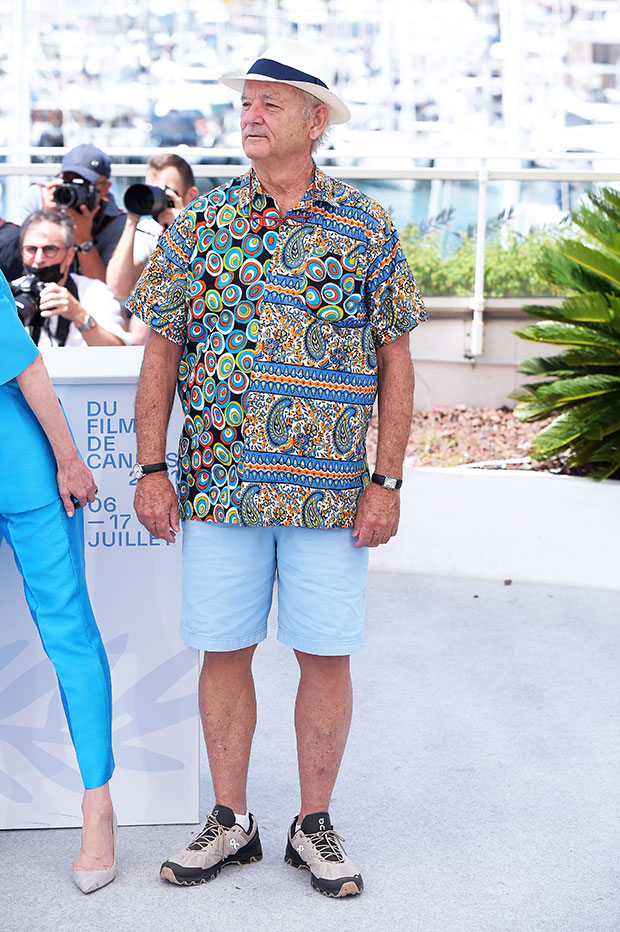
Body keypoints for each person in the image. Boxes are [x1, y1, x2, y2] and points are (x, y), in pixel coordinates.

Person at [127, 38, 427, 899]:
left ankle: (315, 824)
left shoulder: (366, 226)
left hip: (333, 494)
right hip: (220, 484)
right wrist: (152, 466)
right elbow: (161, 350)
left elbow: (397, 360)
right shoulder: (200, 226)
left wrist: (388, 479)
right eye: (247, 103)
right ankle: (231, 820)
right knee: (223, 651)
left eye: (271, 104)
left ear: (315, 121)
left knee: (325, 656)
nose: (252, 117)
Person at [0, 270, 116, 893]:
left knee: (68, 631)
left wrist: (70, 460)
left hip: (21, 466)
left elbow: (28, 368)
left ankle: (98, 805)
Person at [106, 153, 199, 344]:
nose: (156, 200)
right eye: (150, 191)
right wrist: (132, 220)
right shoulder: (149, 231)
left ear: (191, 195)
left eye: (166, 193)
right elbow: (117, 288)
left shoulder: (207, 229)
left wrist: (182, 231)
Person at [14, 210, 129, 347]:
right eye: (31, 249)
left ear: (69, 255)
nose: (38, 259)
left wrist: (79, 315)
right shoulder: (8, 293)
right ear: (21, 252)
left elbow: (118, 353)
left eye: (50, 249)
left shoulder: (94, 292)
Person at [13, 144, 125, 282]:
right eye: (67, 181)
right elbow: (14, 260)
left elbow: (106, 289)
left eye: (83, 184)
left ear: (104, 188)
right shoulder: (39, 198)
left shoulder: (116, 221)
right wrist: (47, 219)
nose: (73, 189)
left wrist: (84, 241)